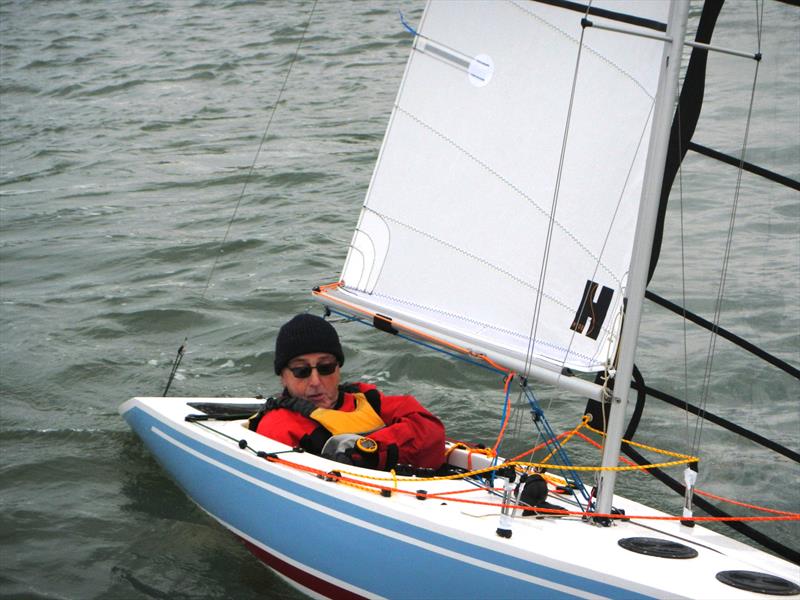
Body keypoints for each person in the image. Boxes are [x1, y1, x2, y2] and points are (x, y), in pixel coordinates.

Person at [252, 313, 445, 471]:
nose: (315, 382)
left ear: (338, 368)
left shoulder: (367, 399)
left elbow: (429, 429)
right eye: (301, 371)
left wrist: (366, 452)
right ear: (283, 377)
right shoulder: (277, 428)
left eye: (326, 367)